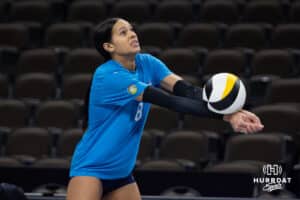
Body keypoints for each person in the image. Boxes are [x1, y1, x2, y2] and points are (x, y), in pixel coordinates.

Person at [67, 18, 264, 200]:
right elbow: (171, 102)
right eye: (123, 32)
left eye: (132, 30)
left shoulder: (148, 63)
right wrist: (225, 117)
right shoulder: (108, 76)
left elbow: (186, 91)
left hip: (121, 173)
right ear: (109, 46)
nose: (132, 34)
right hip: (91, 169)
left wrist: (231, 110)